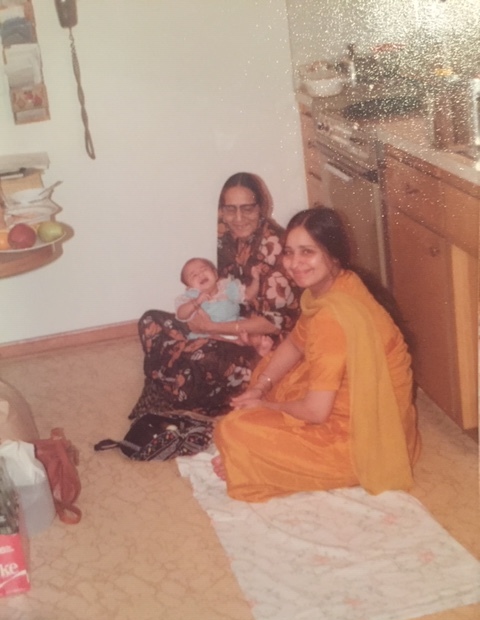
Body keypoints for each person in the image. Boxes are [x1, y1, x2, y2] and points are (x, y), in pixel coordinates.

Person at [213, 206, 421, 501]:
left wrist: (262, 406)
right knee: (269, 370)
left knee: (233, 429)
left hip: (358, 443)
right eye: (288, 252)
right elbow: (295, 344)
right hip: (374, 421)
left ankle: (256, 463)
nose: (294, 264)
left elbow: (316, 411)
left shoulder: (332, 316)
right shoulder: (336, 284)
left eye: (307, 252)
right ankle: (254, 455)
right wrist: (261, 387)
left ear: (333, 254)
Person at [129, 172, 301, 419]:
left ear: (262, 207)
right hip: (230, 327)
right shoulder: (228, 233)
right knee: (150, 321)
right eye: (230, 210)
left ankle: (172, 388)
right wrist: (202, 308)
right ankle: (173, 383)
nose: (238, 219)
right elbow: (223, 287)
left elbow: (275, 324)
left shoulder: (276, 249)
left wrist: (212, 327)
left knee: (200, 358)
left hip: (265, 345)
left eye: (247, 209)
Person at [175, 257, 273, 355]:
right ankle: (247, 344)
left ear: (215, 274)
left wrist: (255, 279)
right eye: (194, 275)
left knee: (251, 328)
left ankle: (258, 347)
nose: (201, 275)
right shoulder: (192, 297)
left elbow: (249, 296)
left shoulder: (227, 288)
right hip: (210, 335)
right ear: (189, 287)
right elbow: (181, 314)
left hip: (232, 325)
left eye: (204, 269)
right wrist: (196, 302)